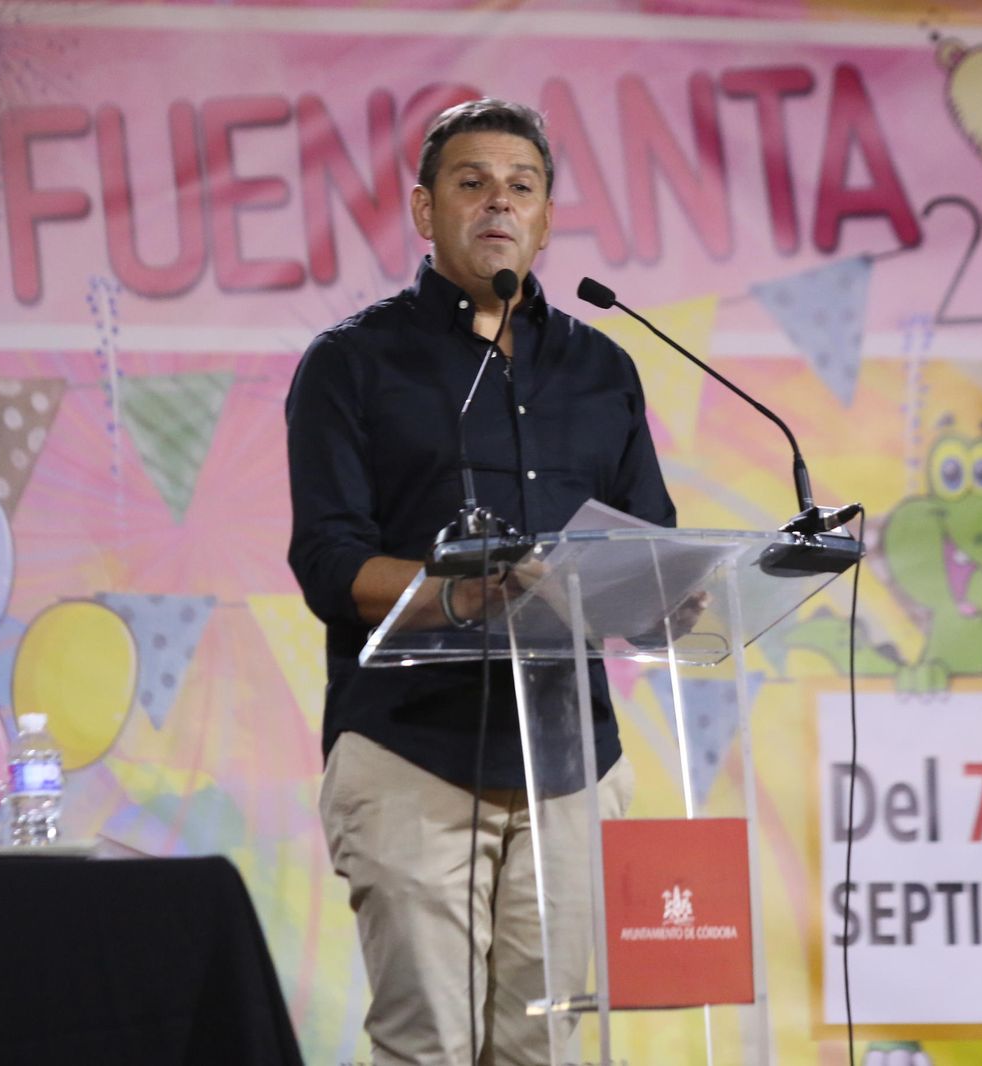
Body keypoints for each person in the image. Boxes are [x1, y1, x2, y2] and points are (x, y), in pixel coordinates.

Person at [284, 99, 676, 1065]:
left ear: (546, 217)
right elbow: (330, 562)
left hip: (569, 761)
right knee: (428, 1047)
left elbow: (647, 545)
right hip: (414, 749)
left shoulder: (602, 368)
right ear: (424, 212)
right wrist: (460, 595)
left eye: (522, 186)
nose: (497, 202)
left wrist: (677, 594)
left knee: (542, 1050)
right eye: (471, 184)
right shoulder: (352, 364)